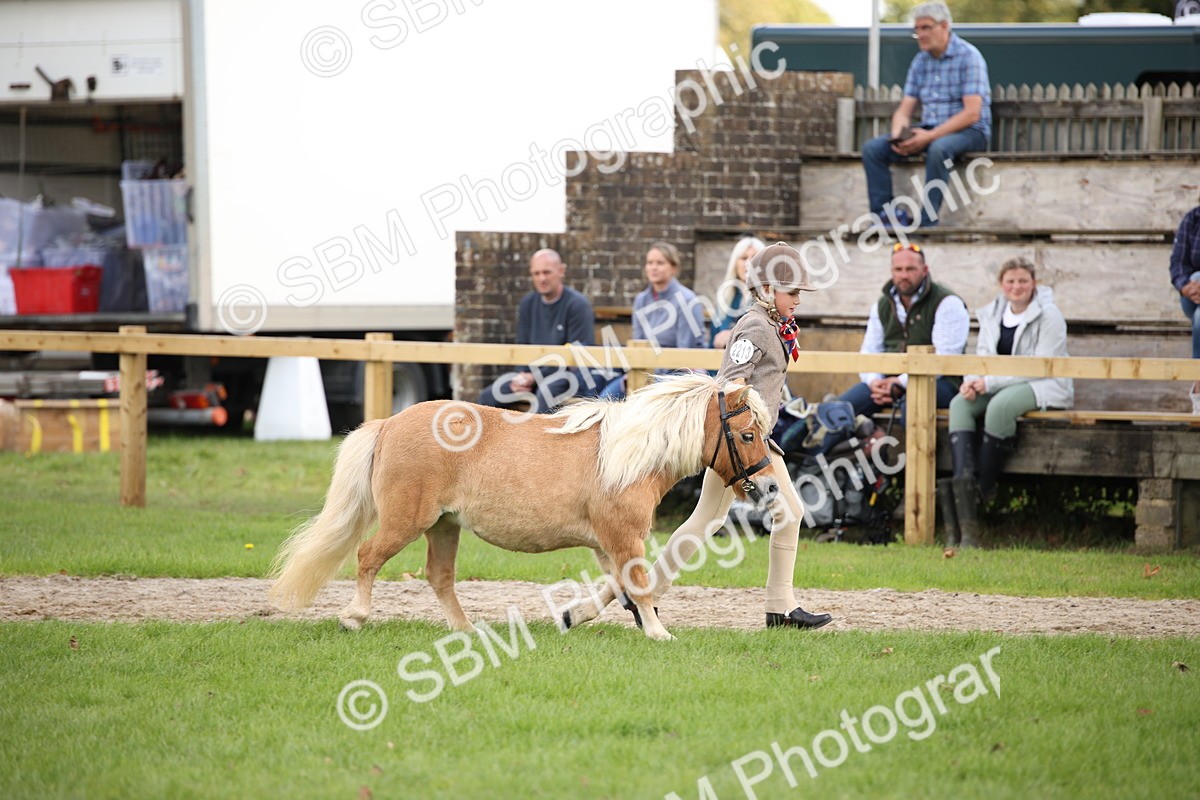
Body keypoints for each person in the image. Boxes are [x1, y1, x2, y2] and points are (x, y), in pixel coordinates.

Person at [644, 242, 832, 630]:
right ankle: (779, 607)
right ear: (767, 290)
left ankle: (649, 592)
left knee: (710, 519)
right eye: (792, 291)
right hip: (743, 444)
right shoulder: (754, 326)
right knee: (785, 514)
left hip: (752, 440)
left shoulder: (770, 325)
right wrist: (744, 441)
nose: (798, 299)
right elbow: (730, 383)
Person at [940, 257, 1073, 548]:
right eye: (1011, 281)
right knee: (959, 404)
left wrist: (988, 382)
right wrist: (971, 379)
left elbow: (1039, 366)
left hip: (1044, 384)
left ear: (1033, 283)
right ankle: (964, 490)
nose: (1017, 286)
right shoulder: (992, 313)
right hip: (999, 382)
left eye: (1023, 280)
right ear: (1002, 285)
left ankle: (982, 490)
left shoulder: (1050, 315)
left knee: (1000, 407)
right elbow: (983, 354)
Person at [861, 2, 991, 229]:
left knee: (939, 149)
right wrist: (899, 137)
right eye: (917, 29)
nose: (920, 34)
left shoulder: (970, 57)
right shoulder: (920, 61)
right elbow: (904, 110)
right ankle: (886, 216)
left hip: (970, 131)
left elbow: (972, 113)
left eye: (926, 28)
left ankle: (927, 222)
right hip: (930, 130)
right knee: (873, 149)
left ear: (944, 26)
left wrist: (928, 138)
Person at [837, 242, 969, 424]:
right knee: (840, 408)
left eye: (911, 269)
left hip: (940, 381)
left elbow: (944, 358)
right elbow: (870, 350)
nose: (904, 275)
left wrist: (900, 383)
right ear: (892, 271)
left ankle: (912, 453)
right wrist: (876, 381)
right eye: (898, 269)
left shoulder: (947, 302)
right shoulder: (882, 304)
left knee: (913, 407)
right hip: (889, 381)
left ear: (924, 270)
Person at [476, 248, 597, 414]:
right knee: (487, 396)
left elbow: (577, 354)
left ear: (561, 271)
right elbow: (522, 346)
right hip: (530, 375)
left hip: (565, 375)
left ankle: (537, 440)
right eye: (536, 273)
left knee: (546, 392)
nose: (542, 278)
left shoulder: (577, 305)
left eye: (547, 272)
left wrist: (534, 377)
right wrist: (521, 376)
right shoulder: (527, 304)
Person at [600, 242, 707, 399]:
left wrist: (653, 377)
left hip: (679, 374)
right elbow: (639, 343)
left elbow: (685, 353)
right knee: (605, 398)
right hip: (646, 369)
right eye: (650, 263)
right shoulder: (641, 300)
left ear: (674, 268)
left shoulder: (687, 300)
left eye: (660, 263)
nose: (653, 267)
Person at [1168, 204, 1200, 414]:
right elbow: (1177, 265)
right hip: (1193, 296)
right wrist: (1186, 287)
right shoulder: (1192, 219)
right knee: (1196, 277)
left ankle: (1199, 389)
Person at [711, 236, 764, 349]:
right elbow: (711, 343)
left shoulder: (773, 299)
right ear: (735, 263)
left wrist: (732, 335)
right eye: (744, 258)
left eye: (754, 258)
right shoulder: (725, 299)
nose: (748, 263)